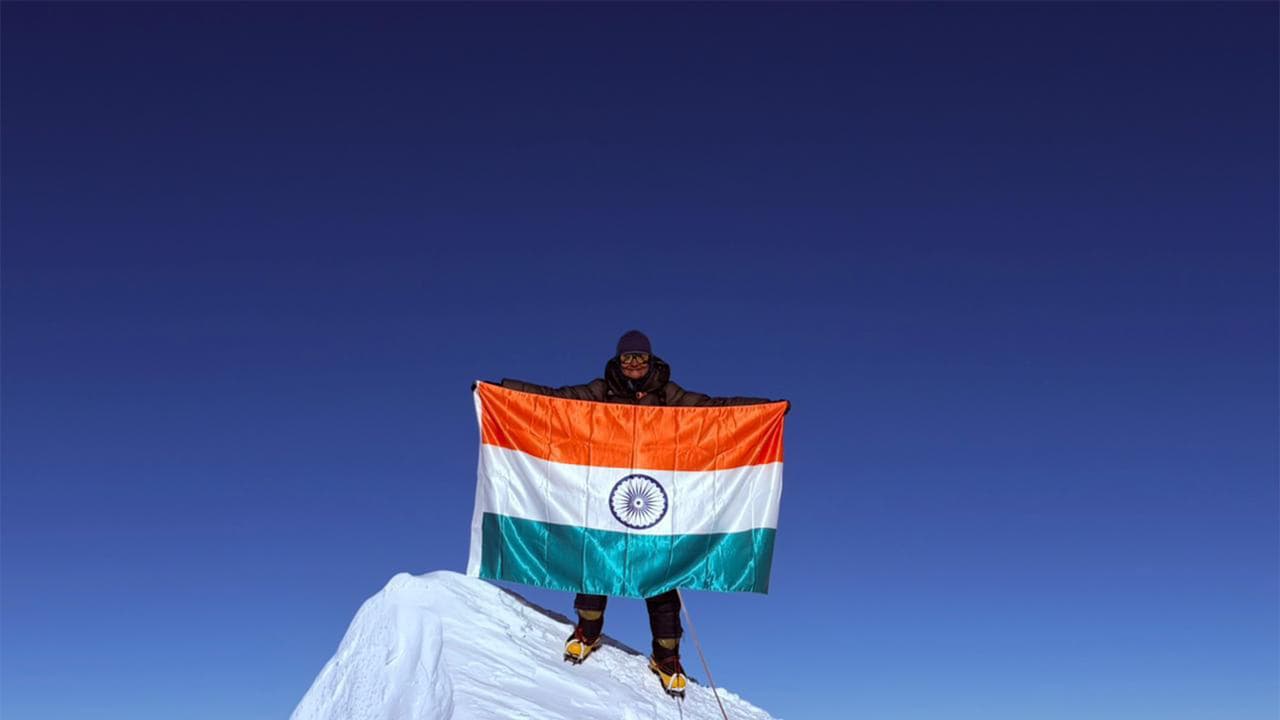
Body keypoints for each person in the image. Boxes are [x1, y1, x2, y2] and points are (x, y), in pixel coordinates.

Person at [500, 330, 782, 697]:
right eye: (627, 359)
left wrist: (764, 409)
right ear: (618, 361)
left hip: (656, 500)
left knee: (661, 575)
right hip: (608, 495)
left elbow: (715, 409)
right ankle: (588, 630)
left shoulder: (670, 395)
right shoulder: (600, 392)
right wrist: (505, 391)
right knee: (597, 561)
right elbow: (554, 402)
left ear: (651, 361)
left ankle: (666, 656)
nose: (633, 365)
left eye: (640, 359)